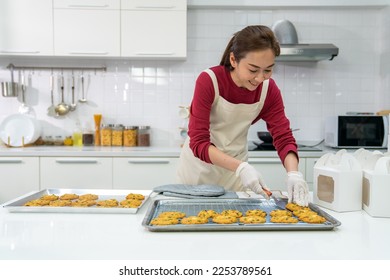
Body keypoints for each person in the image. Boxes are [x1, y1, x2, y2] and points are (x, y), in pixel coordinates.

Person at [177, 25, 309, 206]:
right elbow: (198, 142)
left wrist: (293, 173)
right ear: (233, 59)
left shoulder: (268, 90)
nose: (260, 78)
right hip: (199, 170)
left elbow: (283, 137)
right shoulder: (209, 81)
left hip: (236, 174)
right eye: (253, 70)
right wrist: (241, 167)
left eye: (268, 70)